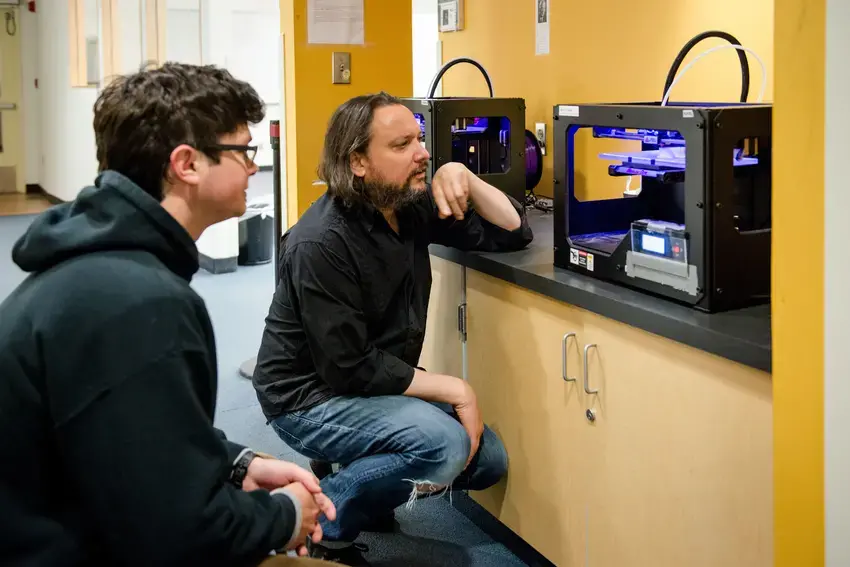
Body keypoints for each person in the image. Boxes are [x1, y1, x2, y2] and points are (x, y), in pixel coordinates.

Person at [0, 62, 336, 566]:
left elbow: (132, 434)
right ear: (187, 164)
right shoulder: (136, 302)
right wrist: (285, 516)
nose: (252, 166)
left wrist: (235, 464)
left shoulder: (101, 270)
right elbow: (177, 535)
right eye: (242, 150)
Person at [252, 92, 533, 565]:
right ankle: (323, 522)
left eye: (420, 140)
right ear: (358, 161)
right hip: (306, 397)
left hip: (371, 380)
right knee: (445, 443)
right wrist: (456, 389)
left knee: (487, 461)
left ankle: (356, 477)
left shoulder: (405, 206)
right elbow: (349, 368)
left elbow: (512, 232)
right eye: (402, 144)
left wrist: (463, 175)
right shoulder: (320, 242)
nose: (423, 152)